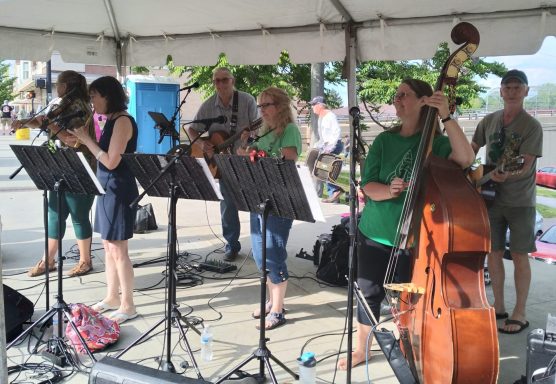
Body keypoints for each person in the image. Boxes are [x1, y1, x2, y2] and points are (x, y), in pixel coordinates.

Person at [337, 78, 475, 369]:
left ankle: (409, 347)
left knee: (408, 298)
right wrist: (391, 191)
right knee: (368, 293)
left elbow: (465, 158)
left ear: (424, 101)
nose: (397, 99)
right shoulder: (385, 140)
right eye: (396, 94)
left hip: (416, 238)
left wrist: (446, 115)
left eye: (404, 95)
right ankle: (362, 349)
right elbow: (368, 186)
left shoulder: (436, 143)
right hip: (375, 231)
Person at [471, 69, 543, 335]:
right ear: (500, 92)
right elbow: (471, 149)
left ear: (526, 91)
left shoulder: (531, 126)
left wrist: (506, 174)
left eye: (517, 87)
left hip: (520, 201)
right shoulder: (488, 121)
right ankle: (498, 306)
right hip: (490, 197)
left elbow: (524, 166)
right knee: (494, 252)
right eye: (507, 87)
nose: (512, 92)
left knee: (521, 255)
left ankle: (520, 312)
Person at [11, 70, 96, 278]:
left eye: (58, 83)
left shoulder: (79, 107)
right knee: (55, 213)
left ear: (66, 85)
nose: (56, 87)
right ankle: (48, 260)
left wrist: (47, 123)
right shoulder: (60, 104)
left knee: (78, 214)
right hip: (58, 163)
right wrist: (24, 123)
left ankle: (85, 261)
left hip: (79, 164)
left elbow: (73, 139)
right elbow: (43, 120)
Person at [68, 76, 139, 324]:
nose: (92, 102)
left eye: (94, 96)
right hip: (106, 188)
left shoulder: (122, 122)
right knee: (108, 246)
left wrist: (87, 140)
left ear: (108, 96)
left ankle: (128, 305)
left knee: (119, 250)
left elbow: (111, 161)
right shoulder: (109, 120)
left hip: (119, 189)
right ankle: (111, 296)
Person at [237, 87, 302, 330]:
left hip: (279, 200)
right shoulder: (263, 131)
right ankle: (269, 301)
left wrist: (256, 155)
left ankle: (278, 309)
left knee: (273, 252)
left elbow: (286, 162)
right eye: (260, 105)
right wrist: (246, 151)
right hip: (259, 198)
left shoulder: (290, 130)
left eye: (267, 105)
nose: (261, 110)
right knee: (259, 252)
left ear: (281, 106)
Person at [187, 67, 258, 262]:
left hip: (245, 160)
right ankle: (232, 245)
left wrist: (249, 136)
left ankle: (259, 247)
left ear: (232, 81)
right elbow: (192, 129)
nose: (220, 84)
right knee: (227, 205)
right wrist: (202, 143)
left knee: (254, 203)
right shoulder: (209, 105)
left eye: (224, 80)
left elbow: (257, 129)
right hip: (222, 163)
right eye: (216, 81)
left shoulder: (247, 100)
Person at [309, 96, 343, 202]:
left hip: (335, 144)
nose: (312, 107)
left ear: (320, 105)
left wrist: (331, 147)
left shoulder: (330, 116)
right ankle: (334, 194)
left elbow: (337, 131)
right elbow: (323, 138)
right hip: (327, 145)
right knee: (322, 168)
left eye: (314, 105)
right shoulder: (321, 117)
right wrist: (316, 146)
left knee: (324, 168)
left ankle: (335, 191)